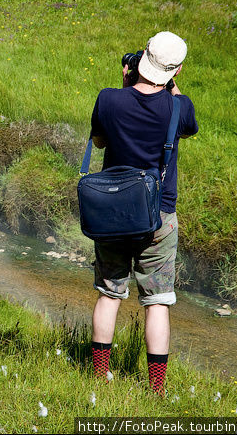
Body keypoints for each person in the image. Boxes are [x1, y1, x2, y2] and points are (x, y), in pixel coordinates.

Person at [88, 31, 198, 395]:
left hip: (112, 215)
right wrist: (171, 89)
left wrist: (125, 84)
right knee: (158, 302)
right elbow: (186, 128)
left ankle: (99, 374)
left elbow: (100, 141)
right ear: (176, 71)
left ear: (141, 60)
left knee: (109, 293)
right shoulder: (179, 108)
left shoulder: (109, 100)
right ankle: (157, 389)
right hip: (159, 217)